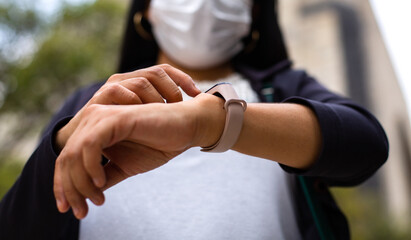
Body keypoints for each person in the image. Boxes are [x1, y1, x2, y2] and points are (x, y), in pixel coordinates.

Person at [0, 0, 388, 239]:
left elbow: (366, 145)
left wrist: (212, 123)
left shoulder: (284, 90)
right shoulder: (93, 101)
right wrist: (63, 141)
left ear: (254, 11)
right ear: (146, 9)